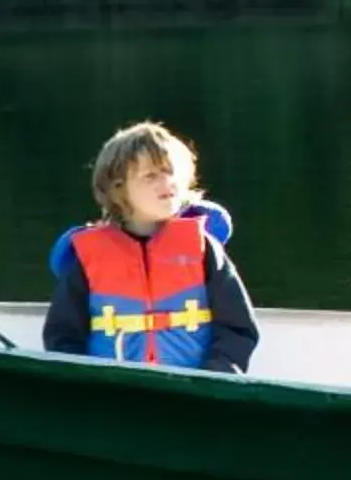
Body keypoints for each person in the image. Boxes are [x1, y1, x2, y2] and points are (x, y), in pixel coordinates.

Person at [45, 121, 261, 372]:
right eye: (151, 176)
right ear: (117, 190)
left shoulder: (204, 248)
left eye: (171, 172)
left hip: (196, 396)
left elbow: (237, 329)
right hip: (112, 398)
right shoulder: (87, 258)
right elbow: (63, 337)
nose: (167, 182)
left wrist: (216, 380)